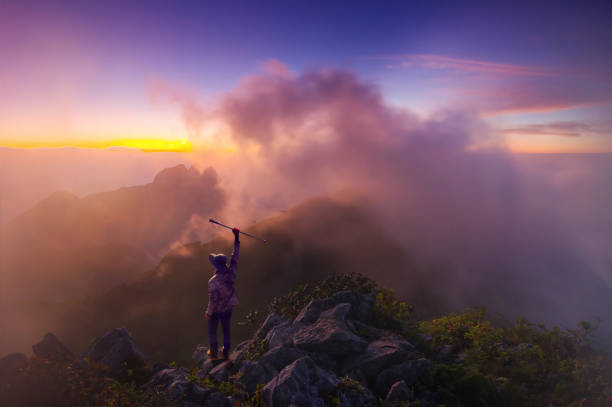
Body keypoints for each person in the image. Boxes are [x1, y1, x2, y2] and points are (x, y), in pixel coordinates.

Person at [205, 227, 240, 360]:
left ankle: (213, 352)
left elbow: (213, 301)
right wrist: (236, 237)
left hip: (218, 309)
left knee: (212, 328)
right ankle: (226, 350)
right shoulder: (232, 272)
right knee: (226, 328)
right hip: (229, 306)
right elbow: (235, 255)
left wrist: (208, 313)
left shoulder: (212, 281)